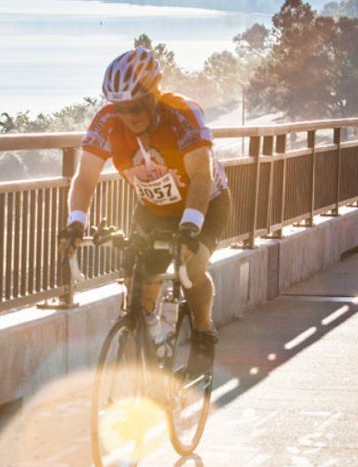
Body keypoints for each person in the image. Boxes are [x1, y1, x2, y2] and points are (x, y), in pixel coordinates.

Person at [59, 46, 231, 376]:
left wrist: (191, 228)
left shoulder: (182, 113)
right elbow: (85, 177)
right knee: (136, 282)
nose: (130, 114)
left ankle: (204, 334)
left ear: (155, 93)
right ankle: (146, 356)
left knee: (191, 267)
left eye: (137, 105)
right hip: (153, 208)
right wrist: (76, 222)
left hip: (204, 202)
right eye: (121, 107)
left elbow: (200, 175)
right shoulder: (107, 122)